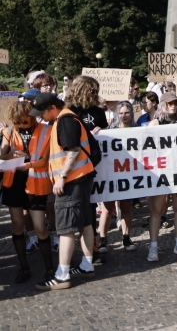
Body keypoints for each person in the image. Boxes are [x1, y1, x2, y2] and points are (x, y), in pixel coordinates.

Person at [31, 93, 96, 290]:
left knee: (66, 227)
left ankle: (62, 274)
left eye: (41, 112)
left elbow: (73, 150)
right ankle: (86, 265)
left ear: (52, 107)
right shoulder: (66, 117)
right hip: (80, 179)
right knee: (85, 223)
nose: (40, 117)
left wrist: (62, 177)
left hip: (71, 181)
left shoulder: (64, 120)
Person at [0, 101, 55, 283]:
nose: (22, 124)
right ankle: (24, 268)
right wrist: (12, 156)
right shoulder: (9, 131)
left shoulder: (46, 131)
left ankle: (49, 267)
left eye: (25, 121)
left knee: (40, 226)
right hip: (13, 183)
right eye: (18, 122)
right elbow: (2, 155)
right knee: (17, 225)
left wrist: (28, 162)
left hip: (36, 183)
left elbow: (46, 159)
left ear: (32, 117)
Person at [65, 75, 107, 265]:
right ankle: (71, 254)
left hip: (93, 166)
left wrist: (103, 130)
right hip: (74, 169)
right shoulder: (69, 111)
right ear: (82, 90)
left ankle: (92, 251)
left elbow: (108, 132)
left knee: (90, 212)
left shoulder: (98, 111)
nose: (95, 94)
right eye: (92, 90)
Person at [146, 92, 177, 261]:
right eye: (169, 103)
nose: (173, 106)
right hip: (160, 173)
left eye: (175, 103)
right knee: (157, 211)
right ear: (163, 105)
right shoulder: (155, 123)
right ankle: (153, 246)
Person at [98, 101, 137, 253]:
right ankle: (102, 239)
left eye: (126, 113)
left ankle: (126, 238)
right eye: (121, 113)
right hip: (112, 174)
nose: (124, 116)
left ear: (131, 113)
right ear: (117, 114)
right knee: (107, 209)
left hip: (129, 175)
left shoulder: (138, 130)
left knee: (126, 208)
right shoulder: (110, 130)